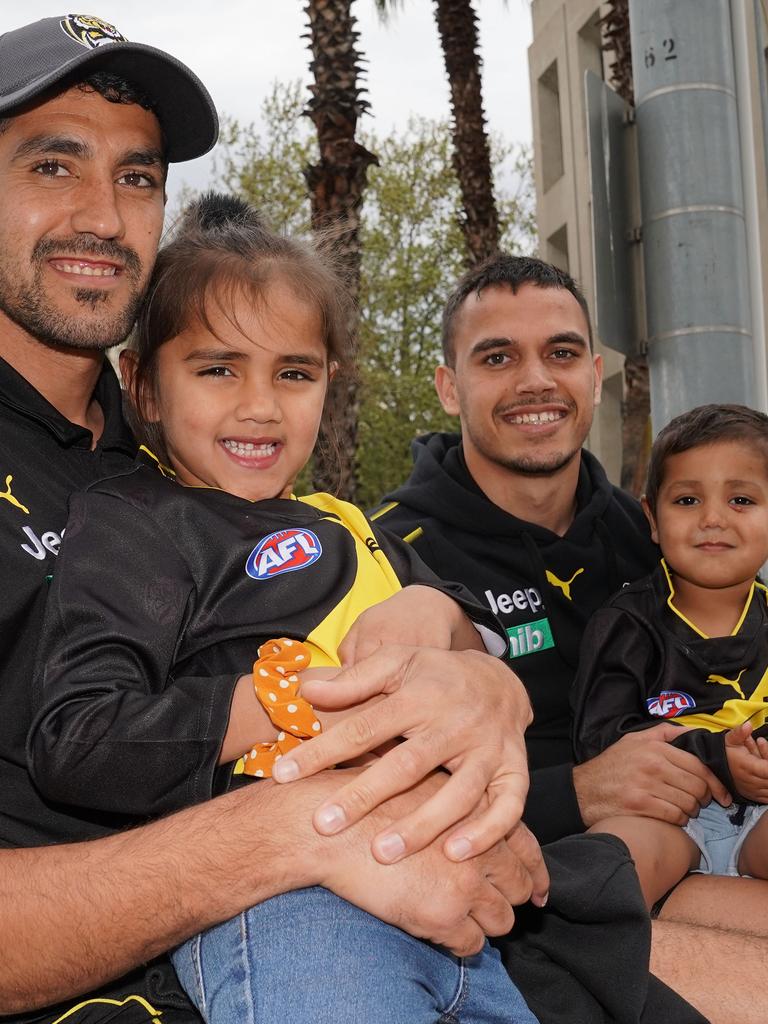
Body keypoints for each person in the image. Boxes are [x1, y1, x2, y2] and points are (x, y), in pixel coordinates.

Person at [0, 15, 545, 1022]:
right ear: (158, 383)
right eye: (52, 165)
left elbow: (443, 629)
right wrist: (308, 759)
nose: (102, 214)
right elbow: (86, 737)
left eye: (137, 176)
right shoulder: (139, 507)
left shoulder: (195, 459)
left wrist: (470, 668)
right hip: (266, 924)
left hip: (444, 896)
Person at [367, 253, 768, 1023]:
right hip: (512, 912)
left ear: (593, 374)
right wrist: (577, 792)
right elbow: (378, 807)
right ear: (450, 386)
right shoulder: (391, 555)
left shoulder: (664, 533)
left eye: (559, 353)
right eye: (497, 357)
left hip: (697, 856)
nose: (535, 381)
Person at [573, 404, 768, 907]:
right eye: (686, 499)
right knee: (610, 868)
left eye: (741, 499)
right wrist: (713, 757)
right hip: (668, 814)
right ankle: (558, 969)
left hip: (763, 813)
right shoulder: (626, 623)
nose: (713, 518)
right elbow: (599, 738)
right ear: (652, 519)